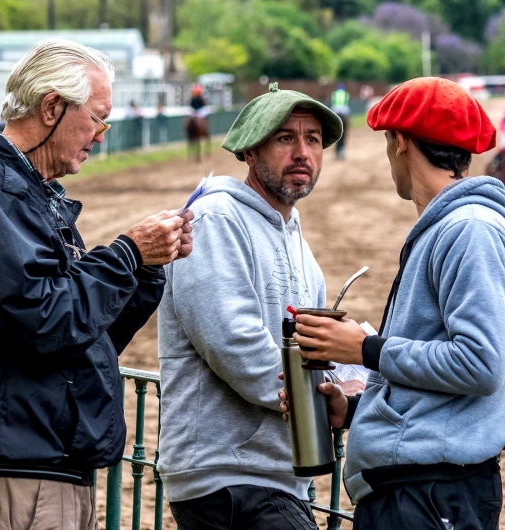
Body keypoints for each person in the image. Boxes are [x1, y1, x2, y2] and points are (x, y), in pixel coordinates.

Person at [0, 38, 193, 530]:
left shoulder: (26, 191)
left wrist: (146, 267)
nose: (101, 134)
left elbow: (84, 335)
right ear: (51, 108)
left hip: (40, 463)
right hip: (16, 470)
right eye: (96, 118)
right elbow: (44, 319)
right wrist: (128, 253)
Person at [280, 77, 505, 529]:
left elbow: (480, 364)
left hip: (431, 497)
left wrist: (364, 350)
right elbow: (432, 370)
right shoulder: (448, 227)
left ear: (399, 142)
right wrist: (356, 408)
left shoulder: (469, 230)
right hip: (415, 492)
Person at [157, 82, 343, 530]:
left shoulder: (300, 246)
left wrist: (341, 381)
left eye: (313, 139)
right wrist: (308, 401)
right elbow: (232, 342)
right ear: (249, 151)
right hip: (225, 476)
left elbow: (312, 350)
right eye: (285, 138)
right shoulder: (217, 218)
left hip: (276, 475)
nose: (302, 152)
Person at [331, 83, 350, 160]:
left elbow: (333, 102)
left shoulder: (334, 94)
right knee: (344, 134)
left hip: (335, 112)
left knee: (337, 134)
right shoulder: (346, 94)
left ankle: (337, 151)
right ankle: (342, 150)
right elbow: (346, 103)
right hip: (344, 113)